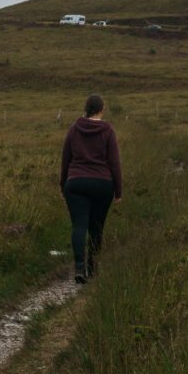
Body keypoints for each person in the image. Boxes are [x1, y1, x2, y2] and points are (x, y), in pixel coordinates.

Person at [60, 94, 122, 284]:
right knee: (96, 228)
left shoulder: (73, 129)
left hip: (76, 183)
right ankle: (92, 268)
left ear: (86, 109)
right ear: (101, 110)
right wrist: (118, 191)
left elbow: (66, 159)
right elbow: (114, 162)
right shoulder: (108, 130)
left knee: (79, 225)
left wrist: (63, 185)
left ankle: (79, 268)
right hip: (102, 184)